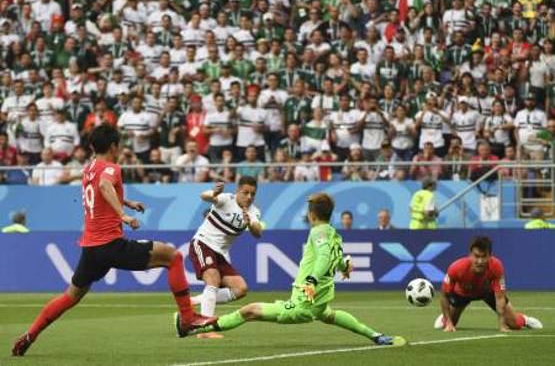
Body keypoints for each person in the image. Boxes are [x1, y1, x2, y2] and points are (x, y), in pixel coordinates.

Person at [12, 125, 213, 357]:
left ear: (91, 147)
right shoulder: (111, 168)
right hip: (110, 244)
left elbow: (100, 191)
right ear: (114, 146)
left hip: (91, 248)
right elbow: (105, 186)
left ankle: (30, 335)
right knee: (173, 257)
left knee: (70, 296)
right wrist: (123, 215)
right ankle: (188, 318)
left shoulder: (89, 169)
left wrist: (127, 203)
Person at [176, 193, 406, 348]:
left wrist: (313, 281)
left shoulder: (318, 232)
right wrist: (344, 266)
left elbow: (325, 257)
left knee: (248, 311)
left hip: (303, 303)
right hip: (317, 303)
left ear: (312, 215)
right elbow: (334, 258)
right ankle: (377, 336)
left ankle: (194, 327)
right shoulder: (333, 233)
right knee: (330, 314)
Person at [189, 177, 263, 339]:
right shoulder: (226, 199)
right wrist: (214, 192)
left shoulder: (253, 212)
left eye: (253, 194)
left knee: (240, 289)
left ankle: (193, 302)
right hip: (203, 243)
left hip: (219, 254)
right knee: (213, 280)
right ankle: (204, 330)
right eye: (245, 193)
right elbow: (204, 196)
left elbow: (258, 232)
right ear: (237, 191)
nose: (249, 197)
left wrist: (249, 222)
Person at [434, 236, 543, 332]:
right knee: (448, 324)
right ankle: (445, 319)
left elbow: (500, 297)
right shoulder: (456, 268)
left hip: (487, 292)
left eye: (484, 256)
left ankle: (525, 320)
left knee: (514, 324)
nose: (480, 261)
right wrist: (448, 323)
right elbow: (444, 295)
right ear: (470, 255)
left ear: (490, 255)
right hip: (462, 293)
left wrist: (502, 325)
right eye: (476, 256)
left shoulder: (496, 266)